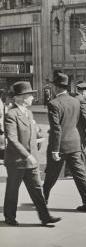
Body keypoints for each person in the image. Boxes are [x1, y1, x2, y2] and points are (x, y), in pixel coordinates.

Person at [3, 81, 61, 226]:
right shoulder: (11, 114)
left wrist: (39, 133)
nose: (32, 98)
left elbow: (31, 132)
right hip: (16, 161)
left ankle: (45, 217)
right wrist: (27, 155)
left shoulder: (28, 113)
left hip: (31, 159)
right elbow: (12, 139)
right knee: (12, 190)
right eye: (30, 95)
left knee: (37, 189)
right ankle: (10, 217)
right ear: (22, 97)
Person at [43, 73, 86, 212]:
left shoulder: (53, 103)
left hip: (59, 145)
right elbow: (79, 120)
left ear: (55, 87)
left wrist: (54, 149)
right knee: (80, 174)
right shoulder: (76, 101)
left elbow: (56, 128)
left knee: (51, 175)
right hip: (75, 143)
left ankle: (43, 199)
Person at [64, 82, 86, 178]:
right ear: (83, 91)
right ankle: (85, 173)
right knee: (83, 151)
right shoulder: (81, 100)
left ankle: (68, 173)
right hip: (79, 130)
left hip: (69, 129)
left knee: (71, 151)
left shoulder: (72, 99)